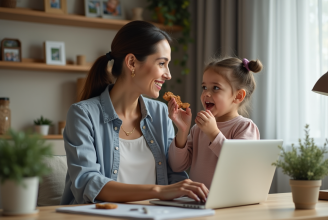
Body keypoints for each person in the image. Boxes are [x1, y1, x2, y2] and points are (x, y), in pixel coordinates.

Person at [60, 21, 208, 205]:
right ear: (131, 63)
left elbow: (174, 176)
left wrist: (182, 134)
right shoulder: (82, 115)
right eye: (162, 63)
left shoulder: (161, 112)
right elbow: (88, 183)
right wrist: (158, 191)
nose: (168, 74)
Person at [168, 57, 263, 189]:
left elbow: (239, 164)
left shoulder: (245, 127)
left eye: (216, 88)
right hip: (198, 201)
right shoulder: (198, 129)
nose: (206, 93)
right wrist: (183, 130)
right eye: (204, 87)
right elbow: (177, 166)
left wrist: (213, 133)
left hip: (230, 203)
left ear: (238, 96)